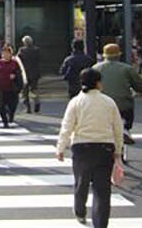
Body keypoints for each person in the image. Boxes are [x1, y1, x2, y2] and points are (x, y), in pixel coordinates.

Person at [56, 68, 123, 228]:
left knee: (81, 182)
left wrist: (60, 147)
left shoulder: (76, 102)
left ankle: (80, 211)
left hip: (82, 147)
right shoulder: (109, 102)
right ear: (98, 83)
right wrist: (118, 151)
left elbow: (67, 126)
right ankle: (100, 224)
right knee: (102, 190)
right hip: (105, 148)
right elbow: (118, 129)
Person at [94, 43, 142, 145]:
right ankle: (125, 129)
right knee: (127, 108)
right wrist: (139, 90)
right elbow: (138, 85)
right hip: (123, 103)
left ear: (104, 55)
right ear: (119, 55)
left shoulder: (96, 68)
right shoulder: (127, 68)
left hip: (102, 103)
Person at [0, 45, 22, 128]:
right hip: (1, 88)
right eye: (4, 53)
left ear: (11, 54)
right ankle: (5, 121)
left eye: (7, 53)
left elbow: (19, 74)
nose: (5, 55)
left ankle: (10, 116)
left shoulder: (15, 63)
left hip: (12, 89)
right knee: (1, 106)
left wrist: (15, 76)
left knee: (12, 105)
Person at [18, 35, 41, 113]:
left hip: (25, 73)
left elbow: (18, 60)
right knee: (34, 89)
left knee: (25, 91)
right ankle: (36, 100)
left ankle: (28, 108)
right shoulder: (36, 50)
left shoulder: (22, 50)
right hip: (35, 73)